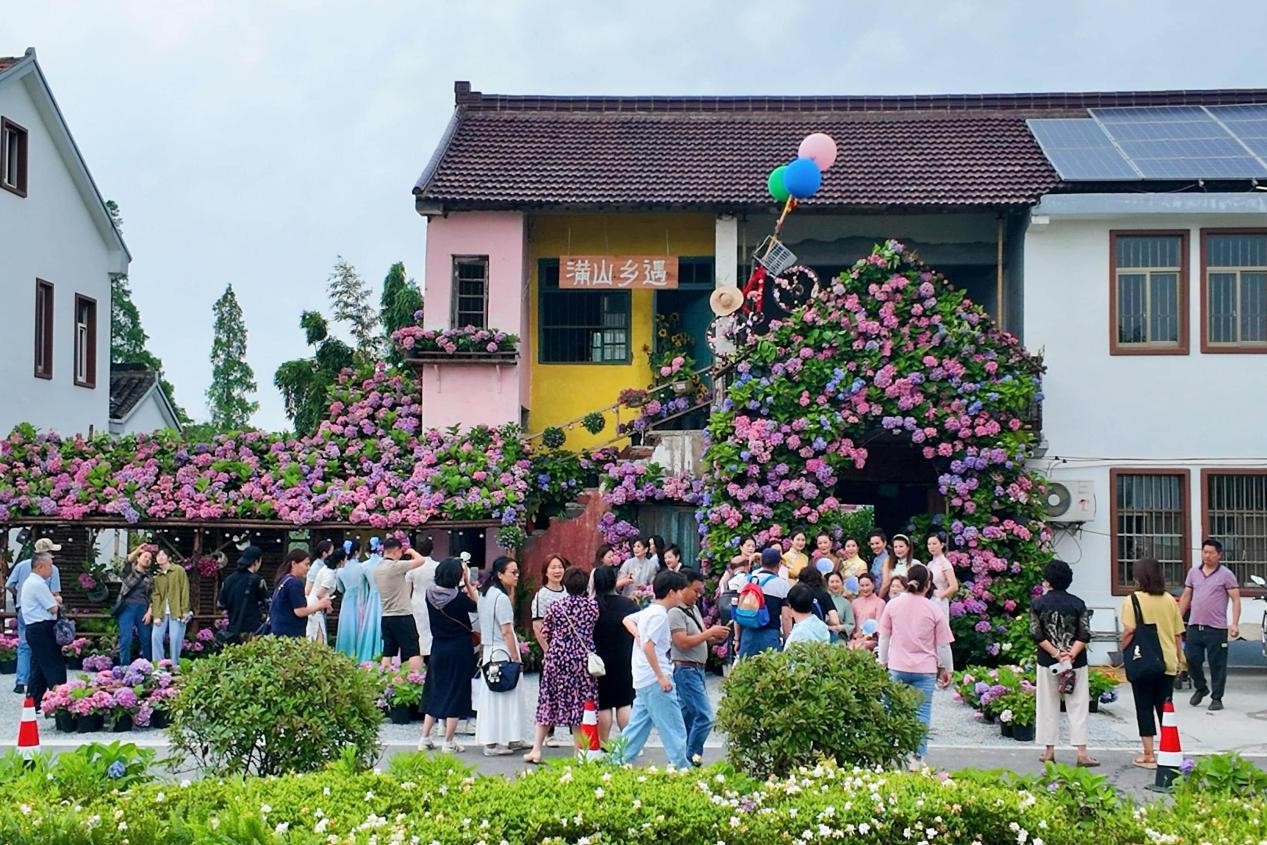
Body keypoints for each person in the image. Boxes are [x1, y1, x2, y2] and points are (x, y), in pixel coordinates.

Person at [878, 564, 954, 770]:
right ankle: (916, 757)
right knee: (921, 713)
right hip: (925, 669)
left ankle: (886, 753)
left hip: (897, 665)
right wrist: (947, 668)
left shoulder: (893, 605)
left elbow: (884, 636)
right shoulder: (933, 608)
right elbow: (943, 644)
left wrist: (882, 661)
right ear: (928, 585)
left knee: (890, 709)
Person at [617, 569, 691, 769]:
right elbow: (649, 645)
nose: (682, 594)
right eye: (680, 590)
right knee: (673, 727)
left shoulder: (650, 611)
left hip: (643, 677)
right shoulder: (659, 615)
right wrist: (661, 676)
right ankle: (681, 767)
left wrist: (638, 635)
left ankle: (616, 762)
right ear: (671, 592)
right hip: (655, 678)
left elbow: (627, 620)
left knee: (636, 728)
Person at [523, 566, 598, 764]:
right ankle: (578, 753)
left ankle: (536, 749)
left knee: (548, 702)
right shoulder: (592, 607)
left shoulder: (556, 607)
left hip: (557, 659)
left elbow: (545, 631)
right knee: (580, 705)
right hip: (582, 661)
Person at [1029, 558, 1097, 767]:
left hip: (1047, 661)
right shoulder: (1078, 603)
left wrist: (1057, 653)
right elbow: (1085, 634)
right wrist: (1070, 654)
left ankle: (1049, 751)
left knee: (1047, 704)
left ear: (1048, 581)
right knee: (1078, 704)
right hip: (1076, 662)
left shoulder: (1038, 604)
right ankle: (1082, 753)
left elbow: (1036, 634)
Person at [1120, 558, 1185, 769]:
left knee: (1144, 706)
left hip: (1144, 662)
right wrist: (1180, 658)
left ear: (1140, 576)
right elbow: (1178, 633)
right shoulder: (1169, 600)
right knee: (1165, 708)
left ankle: (1148, 754)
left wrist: (1123, 647)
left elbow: (1129, 630)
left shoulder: (1132, 600)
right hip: (1167, 661)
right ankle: (1169, 749)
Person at [419, 557, 480, 753]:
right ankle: (448, 741)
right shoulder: (458, 599)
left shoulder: (429, 594)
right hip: (459, 649)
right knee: (456, 693)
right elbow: (477, 605)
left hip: (438, 648)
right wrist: (468, 583)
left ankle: (424, 738)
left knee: (435, 691)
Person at [668, 569, 729, 763]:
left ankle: (678, 760)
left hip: (697, 669)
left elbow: (699, 639)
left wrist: (715, 637)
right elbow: (682, 643)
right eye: (695, 591)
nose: (698, 595)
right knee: (704, 717)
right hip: (686, 669)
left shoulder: (693, 609)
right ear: (683, 588)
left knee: (687, 718)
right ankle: (690, 759)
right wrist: (709, 633)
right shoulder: (675, 613)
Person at [1178, 538, 1241, 712]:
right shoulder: (1193, 573)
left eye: (1211, 553)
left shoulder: (1226, 575)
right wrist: (1177, 619)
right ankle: (1201, 687)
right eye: (1205, 552)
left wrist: (1234, 624)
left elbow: (1236, 599)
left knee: (1217, 664)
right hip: (1194, 625)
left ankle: (1216, 698)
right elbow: (1186, 596)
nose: (1207, 556)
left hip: (1216, 628)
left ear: (1219, 555)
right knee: (1191, 659)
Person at [475, 556, 526, 756]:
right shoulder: (501, 598)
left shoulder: (485, 593)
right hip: (503, 650)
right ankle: (494, 742)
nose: (516, 575)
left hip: (490, 650)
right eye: (513, 572)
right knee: (506, 697)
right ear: (500, 574)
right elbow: (507, 631)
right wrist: (515, 657)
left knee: (496, 696)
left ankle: (509, 738)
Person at [5, 537, 63, 694]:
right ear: (46, 554)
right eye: (51, 552)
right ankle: (52, 690)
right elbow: (55, 595)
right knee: (46, 655)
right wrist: (55, 600)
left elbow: (9, 585)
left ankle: (21, 681)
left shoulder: (22, 565)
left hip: (22, 609)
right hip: (43, 615)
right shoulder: (51, 570)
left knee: (24, 645)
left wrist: (18, 596)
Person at [592, 565, 638, 742]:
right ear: (614, 582)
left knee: (604, 703)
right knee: (624, 702)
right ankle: (628, 743)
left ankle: (603, 743)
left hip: (598, 660)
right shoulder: (628, 605)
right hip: (624, 658)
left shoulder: (591, 606)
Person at [19, 552, 65, 713]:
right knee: (54, 666)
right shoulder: (38, 584)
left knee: (38, 667)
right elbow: (52, 608)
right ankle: (59, 702)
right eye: (49, 567)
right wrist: (57, 601)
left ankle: (33, 701)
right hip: (42, 628)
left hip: (34, 629)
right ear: (40, 567)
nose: (52, 570)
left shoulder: (31, 582)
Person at [373, 537, 427, 672]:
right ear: (396, 550)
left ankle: (384, 677)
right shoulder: (396, 566)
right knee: (413, 650)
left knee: (388, 651)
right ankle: (415, 678)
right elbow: (421, 560)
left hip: (386, 616)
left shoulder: (378, 568)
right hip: (402, 615)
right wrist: (411, 551)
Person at [736, 547, 790, 658]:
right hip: (770, 635)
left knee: (746, 667)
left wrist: (737, 639)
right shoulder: (782, 585)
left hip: (748, 634)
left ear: (761, 562)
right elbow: (786, 617)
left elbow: (738, 612)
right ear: (779, 564)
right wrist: (786, 639)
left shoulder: (746, 581)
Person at [270, 549, 330, 637]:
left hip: (279, 631)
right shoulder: (294, 583)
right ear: (294, 564)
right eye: (306, 564)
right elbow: (300, 611)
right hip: (290, 634)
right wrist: (320, 605)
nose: (308, 568)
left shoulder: (284, 580)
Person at [217, 546, 269, 644]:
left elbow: (221, 604)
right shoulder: (258, 580)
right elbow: (268, 603)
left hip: (232, 630)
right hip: (252, 630)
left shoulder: (228, 580)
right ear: (256, 561)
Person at [115, 546, 155, 665]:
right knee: (126, 638)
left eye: (150, 558)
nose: (147, 559)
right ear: (138, 558)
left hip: (143, 608)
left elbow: (153, 596)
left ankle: (147, 666)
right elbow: (126, 562)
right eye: (145, 556)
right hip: (127, 607)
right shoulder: (129, 572)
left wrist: (150, 612)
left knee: (146, 638)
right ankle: (124, 666)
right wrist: (139, 549)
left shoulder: (150, 578)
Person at [149, 549, 191, 663]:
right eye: (158, 555)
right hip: (161, 611)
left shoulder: (179, 570)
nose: (160, 557)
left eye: (163, 555)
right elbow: (156, 596)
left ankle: (174, 664)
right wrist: (156, 615)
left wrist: (185, 610)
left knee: (175, 639)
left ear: (169, 558)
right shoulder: (157, 576)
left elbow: (185, 590)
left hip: (177, 610)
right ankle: (158, 665)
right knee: (155, 637)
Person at [405, 537, 439, 663]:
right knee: (432, 632)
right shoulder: (437, 566)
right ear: (432, 550)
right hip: (434, 602)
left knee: (418, 633)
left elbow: (407, 592)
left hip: (416, 603)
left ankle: (418, 663)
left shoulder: (411, 568)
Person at [335, 541, 370, 660]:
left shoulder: (340, 571)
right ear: (356, 552)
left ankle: (344, 655)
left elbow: (340, 589)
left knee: (346, 626)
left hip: (347, 601)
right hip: (361, 599)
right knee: (360, 626)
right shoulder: (362, 567)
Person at [798, 567, 847, 641]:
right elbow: (835, 620)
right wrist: (826, 624)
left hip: (800, 631)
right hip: (819, 633)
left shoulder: (797, 594)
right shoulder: (824, 595)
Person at [358, 537, 385, 666]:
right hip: (386, 597)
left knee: (371, 625)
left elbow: (362, 588)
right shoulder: (386, 563)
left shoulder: (364, 565)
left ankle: (367, 656)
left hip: (372, 598)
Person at [307, 548, 343, 643]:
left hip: (316, 605)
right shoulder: (330, 574)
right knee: (318, 636)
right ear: (341, 561)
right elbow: (319, 593)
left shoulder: (326, 569)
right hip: (316, 605)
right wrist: (328, 606)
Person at [850, 572, 885, 650]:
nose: (865, 588)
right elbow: (852, 623)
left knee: (860, 647)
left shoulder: (880, 603)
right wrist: (855, 635)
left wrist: (864, 635)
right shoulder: (855, 603)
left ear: (873, 585)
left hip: (872, 639)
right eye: (862, 586)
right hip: (856, 638)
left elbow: (878, 625)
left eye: (867, 585)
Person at [926, 532, 958, 615]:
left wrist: (941, 596)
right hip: (928, 600)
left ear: (942, 545)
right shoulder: (929, 564)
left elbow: (954, 586)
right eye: (929, 544)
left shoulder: (945, 563)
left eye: (934, 544)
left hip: (939, 601)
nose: (931, 546)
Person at [882, 534, 920, 600]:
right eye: (895, 547)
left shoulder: (915, 564)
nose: (898, 549)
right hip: (892, 600)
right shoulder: (891, 563)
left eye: (901, 546)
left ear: (908, 547)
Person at [825, 571, 855, 640]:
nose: (835, 584)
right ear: (827, 584)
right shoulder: (822, 599)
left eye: (837, 581)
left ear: (842, 583)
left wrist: (839, 627)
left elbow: (851, 625)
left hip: (839, 637)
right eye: (832, 582)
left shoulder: (846, 603)